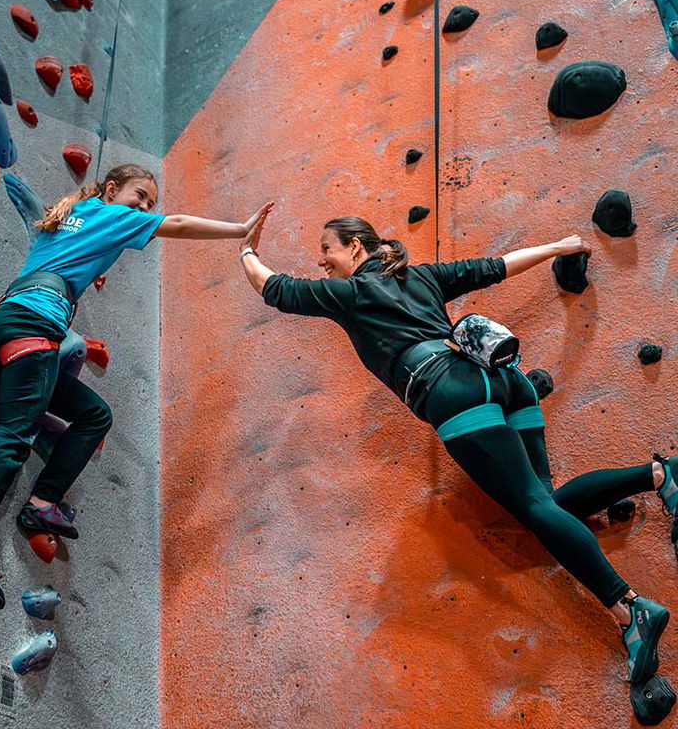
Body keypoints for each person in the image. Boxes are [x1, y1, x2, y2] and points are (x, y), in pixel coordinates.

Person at [238, 209, 675, 685]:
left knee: (531, 505)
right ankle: (660, 475)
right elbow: (495, 266)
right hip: (508, 381)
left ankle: (630, 609)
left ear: (355, 247)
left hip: (452, 393)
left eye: (327, 248)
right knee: (544, 505)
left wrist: (246, 247)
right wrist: (557, 247)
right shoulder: (424, 277)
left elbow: (273, 288)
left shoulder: (350, 292)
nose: (321, 261)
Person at [0, 163, 274, 610]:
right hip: (35, 321)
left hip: (15, 321)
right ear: (112, 189)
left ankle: (42, 502)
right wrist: (240, 229)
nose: (145, 208)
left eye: (149, 203)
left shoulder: (73, 215)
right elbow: (177, 224)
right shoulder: (108, 214)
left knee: (95, 415)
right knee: (14, 438)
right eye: (140, 196)